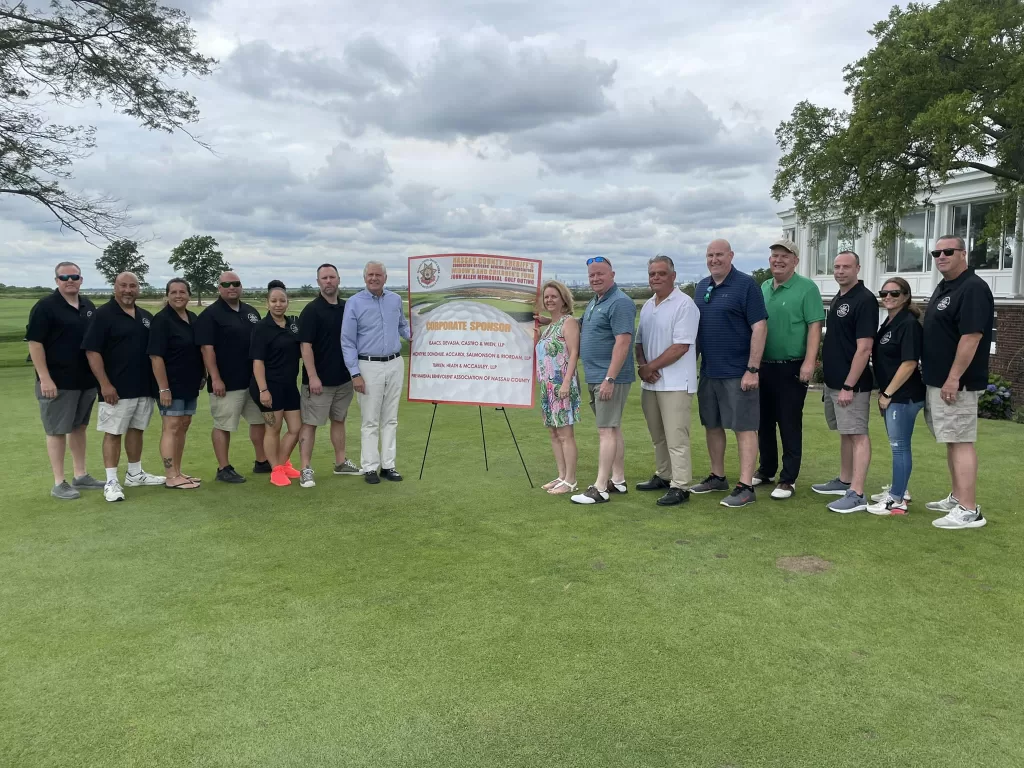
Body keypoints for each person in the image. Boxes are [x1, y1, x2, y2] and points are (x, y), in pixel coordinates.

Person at [921, 235, 994, 529]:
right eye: (936, 252)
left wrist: (954, 378)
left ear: (963, 254)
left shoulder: (973, 288)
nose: (941, 256)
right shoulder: (945, 287)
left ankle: (969, 509)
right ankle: (957, 497)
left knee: (961, 441)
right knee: (951, 440)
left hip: (957, 384)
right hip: (939, 380)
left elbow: (972, 336)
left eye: (948, 251)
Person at [689, 239, 768, 508]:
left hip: (739, 372)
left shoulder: (746, 285)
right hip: (710, 372)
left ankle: (746, 486)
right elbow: (697, 332)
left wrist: (752, 369)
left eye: (719, 254)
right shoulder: (702, 287)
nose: (714, 259)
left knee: (744, 428)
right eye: (710, 255)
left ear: (731, 256)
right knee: (712, 424)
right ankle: (717, 476)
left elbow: (759, 327)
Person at [82, 271, 165, 502]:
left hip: (143, 386)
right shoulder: (103, 315)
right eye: (123, 286)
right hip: (116, 388)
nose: (128, 290)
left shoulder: (145, 316)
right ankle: (111, 481)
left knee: (137, 429)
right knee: (114, 433)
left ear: (138, 289)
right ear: (115, 288)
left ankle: (135, 474)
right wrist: (105, 384)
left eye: (133, 286)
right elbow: (92, 351)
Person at [25, 261, 105, 499]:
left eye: (74, 276)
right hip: (57, 381)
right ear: (56, 280)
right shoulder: (45, 307)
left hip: (85, 380)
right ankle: (59, 482)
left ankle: (80, 475)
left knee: (79, 427)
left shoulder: (87, 305)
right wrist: (44, 378)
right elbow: (35, 343)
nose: (70, 281)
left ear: (81, 279)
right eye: (64, 277)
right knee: (57, 430)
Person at [755, 238, 825, 500]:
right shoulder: (763, 287)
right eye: (774, 256)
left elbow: (814, 328)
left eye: (785, 256)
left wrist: (809, 362)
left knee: (789, 422)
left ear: (795, 260)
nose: (778, 260)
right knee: (763, 422)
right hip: (763, 366)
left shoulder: (807, 288)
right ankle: (766, 469)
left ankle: (788, 479)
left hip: (792, 366)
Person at [811, 251, 877, 513]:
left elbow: (864, 348)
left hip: (853, 385)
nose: (839, 271)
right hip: (834, 382)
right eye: (836, 266)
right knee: (845, 433)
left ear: (858, 268)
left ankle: (857, 493)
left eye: (846, 267)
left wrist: (849, 385)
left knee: (858, 435)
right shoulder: (840, 297)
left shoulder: (865, 300)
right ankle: (844, 480)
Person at [570, 256, 636, 505]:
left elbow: (623, 341)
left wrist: (610, 377)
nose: (595, 278)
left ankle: (600, 488)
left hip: (609, 377)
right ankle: (617, 481)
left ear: (612, 275)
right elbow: (582, 326)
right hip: (597, 375)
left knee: (605, 430)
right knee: (613, 428)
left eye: (600, 274)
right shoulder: (595, 302)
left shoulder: (619, 302)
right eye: (591, 275)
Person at [634, 255, 700, 506]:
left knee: (676, 437)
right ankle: (664, 475)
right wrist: (643, 366)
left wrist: (650, 367)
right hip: (650, 383)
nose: (656, 278)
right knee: (658, 436)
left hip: (675, 383)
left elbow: (681, 346)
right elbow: (639, 341)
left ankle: (681, 485)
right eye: (652, 274)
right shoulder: (650, 305)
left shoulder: (685, 304)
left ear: (673, 276)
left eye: (661, 273)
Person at [195, 270, 269, 483]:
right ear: (219, 288)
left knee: (258, 422)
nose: (231, 288)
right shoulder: (211, 315)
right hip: (226, 383)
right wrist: (215, 378)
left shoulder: (250, 311)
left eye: (235, 283)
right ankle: (223, 468)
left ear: (241, 286)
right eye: (226, 285)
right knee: (223, 425)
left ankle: (262, 461)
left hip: (252, 381)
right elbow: (207, 350)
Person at [342, 262, 411, 485]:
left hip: (394, 362)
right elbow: (348, 341)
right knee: (370, 420)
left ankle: (388, 465)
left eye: (378, 275)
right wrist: (355, 373)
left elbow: (402, 325)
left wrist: (414, 336)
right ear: (364, 278)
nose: (374, 278)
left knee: (390, 419)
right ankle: (370, 467)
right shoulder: (354, 303)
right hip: (367, 365)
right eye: (370, 275)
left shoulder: (395, 299)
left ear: (385, 277)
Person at [866, 277, 925, 516]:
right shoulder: (890, 322)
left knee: (899, 447)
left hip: (903, 396)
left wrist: (888, 393)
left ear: (906, 296)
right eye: (884, 293)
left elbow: (909, 363)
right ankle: (901, 490)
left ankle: (896, 499)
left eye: (894, 293)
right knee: (899, 445)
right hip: (893, 395)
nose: (888, 297)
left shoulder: (908, 324)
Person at [296, 264, 358, 489]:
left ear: (339, 279)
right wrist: (312, 376)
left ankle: (340, 462)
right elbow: (305, 346)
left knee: (339, 420)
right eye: (324, 278)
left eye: (332, 277)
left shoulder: (347, 307)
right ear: (318, 282)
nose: (328, 281)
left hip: (343, 378)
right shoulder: (312, 310)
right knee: (310, 424)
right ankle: (305, 468)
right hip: (318, 382)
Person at [148, 278, 204, 490]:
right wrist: (164, 388)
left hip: (189, 383)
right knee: (171, 427)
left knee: (183, 425)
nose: (179, 295)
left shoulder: (192, 318)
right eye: (174, 292)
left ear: (189, 295)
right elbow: (156, 357)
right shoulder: (161, 320)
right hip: (169, 386)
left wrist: (203, 373)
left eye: (182, 292)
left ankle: (178, 472)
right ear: (167, 295)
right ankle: (171, 476)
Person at [250, 281, 303, 487]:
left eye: (282, 300)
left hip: (289, 385)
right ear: (267, 304)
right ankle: (276, 470)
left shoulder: (293, 325)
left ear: (287, 303)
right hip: (268, 387)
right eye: (274, 301)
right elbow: (257, 362)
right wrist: (264, 390)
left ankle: (283, 463)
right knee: (273, 428)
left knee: (296, 428)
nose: (278, 304)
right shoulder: (261, 328)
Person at [535, 280, 581, 495]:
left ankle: (571, 480)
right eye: (546, 297)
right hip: (547, 387)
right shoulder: (548, 328)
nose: (549, 300)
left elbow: (573, 353)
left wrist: (565, 382)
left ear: (563, 299)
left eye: (554, 296)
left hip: (562, 385)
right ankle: (561, 475)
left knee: (565, 434)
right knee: (554, 434)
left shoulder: (568, 322)